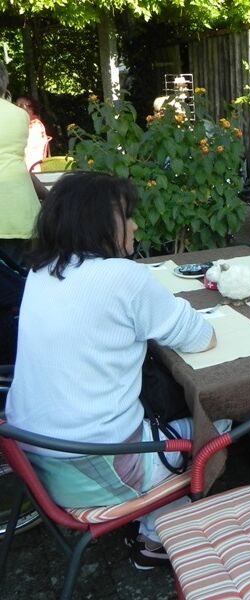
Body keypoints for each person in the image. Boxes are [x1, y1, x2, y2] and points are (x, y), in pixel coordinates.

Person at [5, 171, 216, 569]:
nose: (135, 225)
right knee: (218, 415)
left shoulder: (42, 270)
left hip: (37, 457)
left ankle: (158, 517)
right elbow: (201, 337)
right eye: (127, 215)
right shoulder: (125, 278)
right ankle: (155, 541)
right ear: (98, 222)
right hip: (97, 467)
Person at [0, 60, 46, 268]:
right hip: (21, 211)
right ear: (5, 80)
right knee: (21, 288)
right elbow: (17, 165)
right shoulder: (19, 116)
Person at [15, 96, 52, 172]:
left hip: (30, 171)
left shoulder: (35, 126)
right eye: (16, 106)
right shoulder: (25, 125)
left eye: (21, 105)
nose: (18, 108)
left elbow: (24, 149)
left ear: (32, 109)